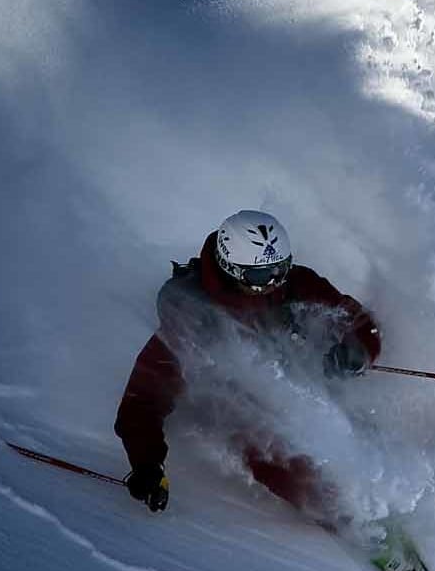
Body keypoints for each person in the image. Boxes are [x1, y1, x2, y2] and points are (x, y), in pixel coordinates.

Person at [114, 209, 382, 519]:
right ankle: (348, 516)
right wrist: (146, 465)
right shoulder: (193, 320)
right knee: (267, 449)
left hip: (298, 381)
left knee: (352, 426)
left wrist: (358, 349)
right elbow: (141, 403)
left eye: (281, 268)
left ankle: (383, 493)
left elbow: (357, 319)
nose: (273, 282)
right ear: (231, 268)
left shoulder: (292, 284)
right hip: (235, 405)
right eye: (260, 277)